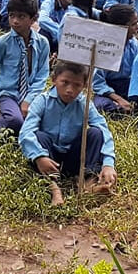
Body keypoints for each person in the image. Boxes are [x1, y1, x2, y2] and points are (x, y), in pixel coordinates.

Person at [19, 61, 118, 207]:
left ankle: (87, 181)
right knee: (40, 137)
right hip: (49, 157)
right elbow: (26, 132)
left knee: (95, 134)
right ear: (54, 79)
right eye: (65, 82)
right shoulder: (43, 101)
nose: (70, 90)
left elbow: (104, 130)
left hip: (73, 157)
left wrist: (108, 163)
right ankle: (54, 188)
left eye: (77, 85)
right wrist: (39, 156)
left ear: (84, 86)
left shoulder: (84, 104)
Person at [0, 0, 51, 135]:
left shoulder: (42, 43)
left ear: (33, 19)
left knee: (44, 124)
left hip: (32, 94)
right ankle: (1, 124)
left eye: (21, 17)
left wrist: (28, 100)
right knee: (16, 121)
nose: (15, 21)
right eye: (12, 16)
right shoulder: (2, 43)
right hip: (7, 94)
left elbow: (42, 76)